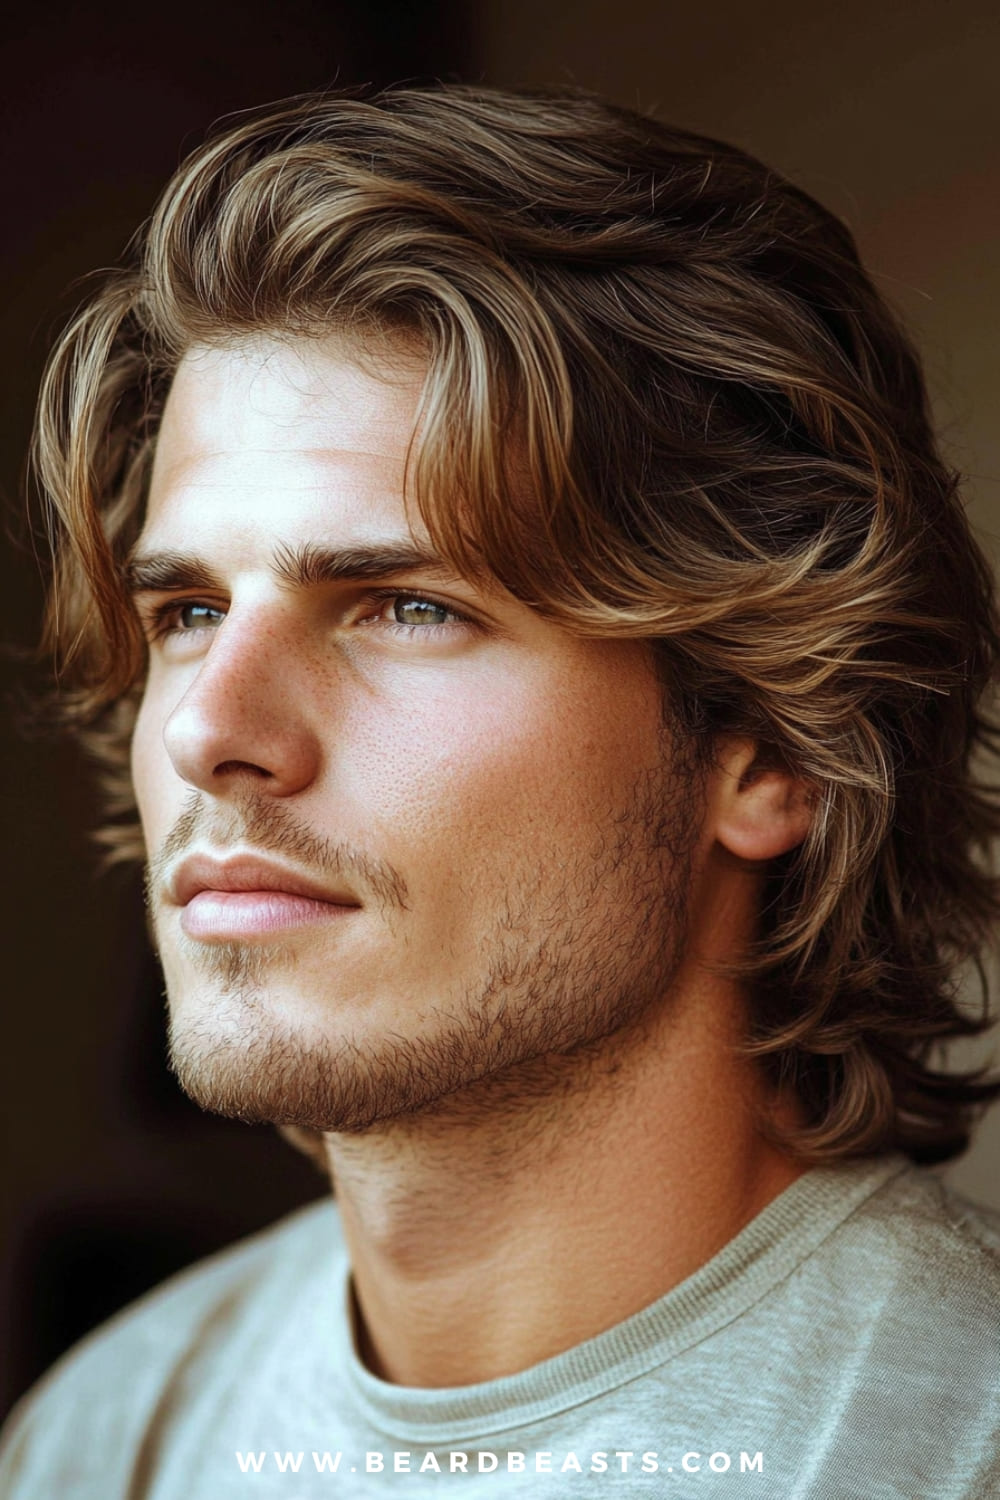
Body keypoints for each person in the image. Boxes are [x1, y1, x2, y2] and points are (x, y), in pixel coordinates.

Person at [1, 82, 998, 1499]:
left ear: (770, 749)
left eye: (406, 607)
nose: (210, 729)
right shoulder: (101, 1439)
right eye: (189, 614)